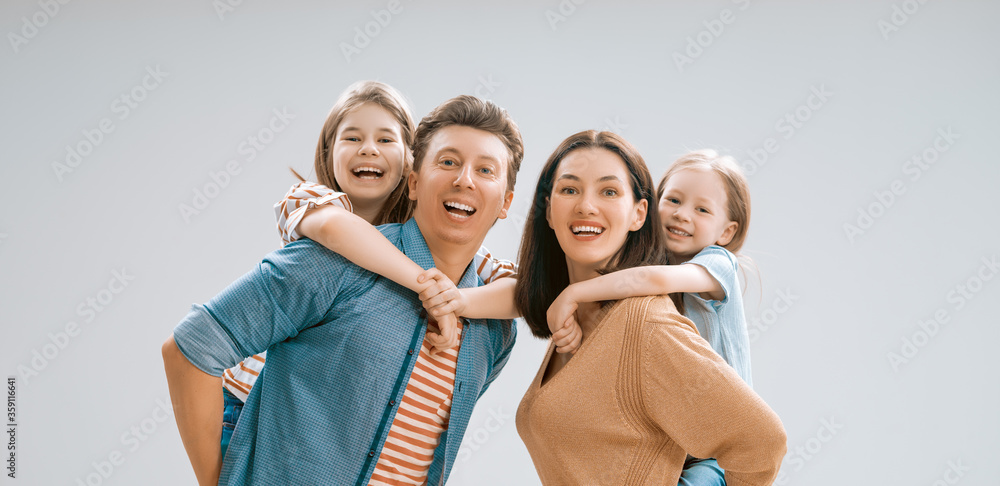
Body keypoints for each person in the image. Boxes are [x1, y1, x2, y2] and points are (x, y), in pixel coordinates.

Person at [162, 94, 523, 485]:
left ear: (505, 203)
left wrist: (460, 301)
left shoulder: (494, 328)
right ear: (414, 182)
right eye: (448, 162)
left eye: (485, 170)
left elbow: (530, 290)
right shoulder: (333, 258)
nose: (464, 179)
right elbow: (191, 347)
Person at [513, 130, 786, 485]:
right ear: (547, 208)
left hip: (707, 462)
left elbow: (763, 442)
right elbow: (514, 295)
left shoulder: (658, 311)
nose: (586, 205)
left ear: (639, 214)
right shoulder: (585, 315)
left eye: (609, 191)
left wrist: (576, 292)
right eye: (569, 189)